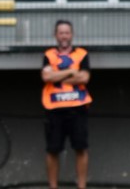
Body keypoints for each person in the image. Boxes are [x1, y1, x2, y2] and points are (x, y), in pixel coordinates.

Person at [41, 20, 92, 189]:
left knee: (81, 147)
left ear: (72, 34)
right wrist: (71, 71)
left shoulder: (82, 54)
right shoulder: (49, 55)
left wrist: (57, 74)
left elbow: (84, 78)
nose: (64, 36)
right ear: (56, 35)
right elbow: (47, 77)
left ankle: (82, 186)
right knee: (52, 149)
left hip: (78, 108)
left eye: (67, 32)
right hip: (54, 109)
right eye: (61, 32)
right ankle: (53, 186)